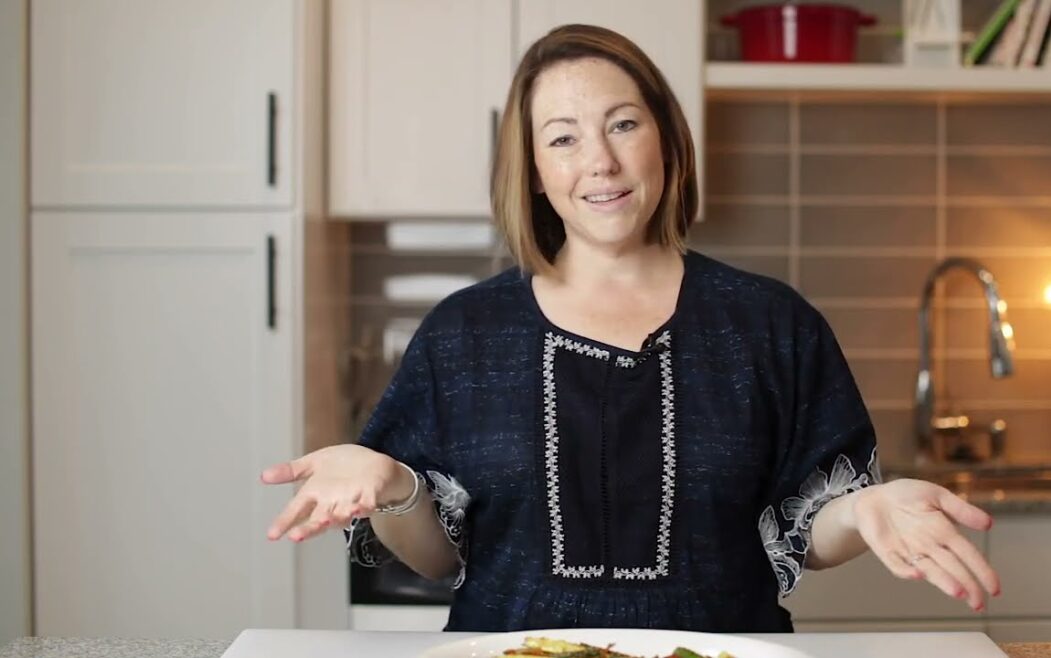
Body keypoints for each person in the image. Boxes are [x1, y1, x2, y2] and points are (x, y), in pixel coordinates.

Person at [262, 24, 999, 632]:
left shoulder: (771, 324)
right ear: (533, 170)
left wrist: (865, 507)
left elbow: (809, 530)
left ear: (666, 139)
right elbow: (435, 559)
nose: (601, 162)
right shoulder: (464, 334)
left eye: (622, 124)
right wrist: (393, 484)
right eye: (563, 139)